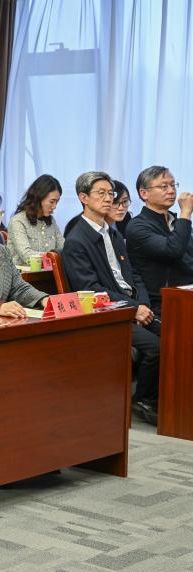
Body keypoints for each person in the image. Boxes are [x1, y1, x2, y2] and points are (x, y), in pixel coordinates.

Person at [61, 171, 160, 425]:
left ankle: (164, 399)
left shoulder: (113, 233)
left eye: (111, 193)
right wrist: (133, 308)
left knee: (176, 336)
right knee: (157, 348)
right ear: (83, 198)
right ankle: (142, 400)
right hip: (109, 314)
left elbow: (132, 275)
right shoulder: (76, 240)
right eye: (101, 193)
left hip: (130, 306)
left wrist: (143, 303)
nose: (109, 199)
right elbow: (90, 289)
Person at [126, 165, 193, 313]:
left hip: (187, 296)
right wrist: (186, 212)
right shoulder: (137, 226)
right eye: (164, 186)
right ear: (144, 193)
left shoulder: (176, 221)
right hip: (162, 304)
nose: (171, 191)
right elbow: (173, 250)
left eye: (173, 185)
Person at [7, 174, 65, 266]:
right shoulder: (18, 221)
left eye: (57, 202)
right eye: (52, 201)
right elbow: (27, 256)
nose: (54, 206)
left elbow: (64, 248)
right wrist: (54, 257)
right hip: (23, 274)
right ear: (39, 197)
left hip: (49, 272)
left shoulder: (51, 221)